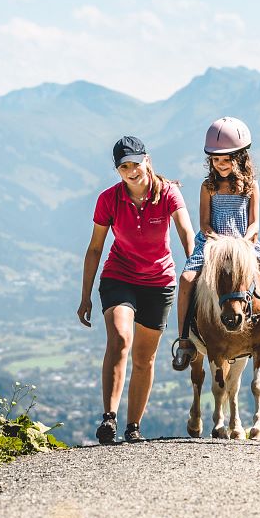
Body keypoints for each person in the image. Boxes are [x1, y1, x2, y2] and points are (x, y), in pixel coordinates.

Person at [77, 136, 196, 444]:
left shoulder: (168, 193)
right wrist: (85, 295)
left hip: (159, 283)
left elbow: (186, 232)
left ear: (148, 160)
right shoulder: (108, 199)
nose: (132, 171)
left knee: (144, 358)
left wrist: (195, 270)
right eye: (124, 167)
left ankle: (133, 427)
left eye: (135, 164)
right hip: (120, 276)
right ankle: (109, 419)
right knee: (120, 338)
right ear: (118, 171)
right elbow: (94, 249)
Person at [170, 117, 260, 371]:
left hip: (245, 245)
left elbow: (254, 223)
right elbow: (205, 224)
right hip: (213, 245)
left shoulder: (250, 186)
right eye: (215, 160)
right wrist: (219, 242)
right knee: (187, 279)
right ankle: (184, 341)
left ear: (240, 157)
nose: (220, 165)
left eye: (226, 159)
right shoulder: (207, 186)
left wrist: (244, 242)